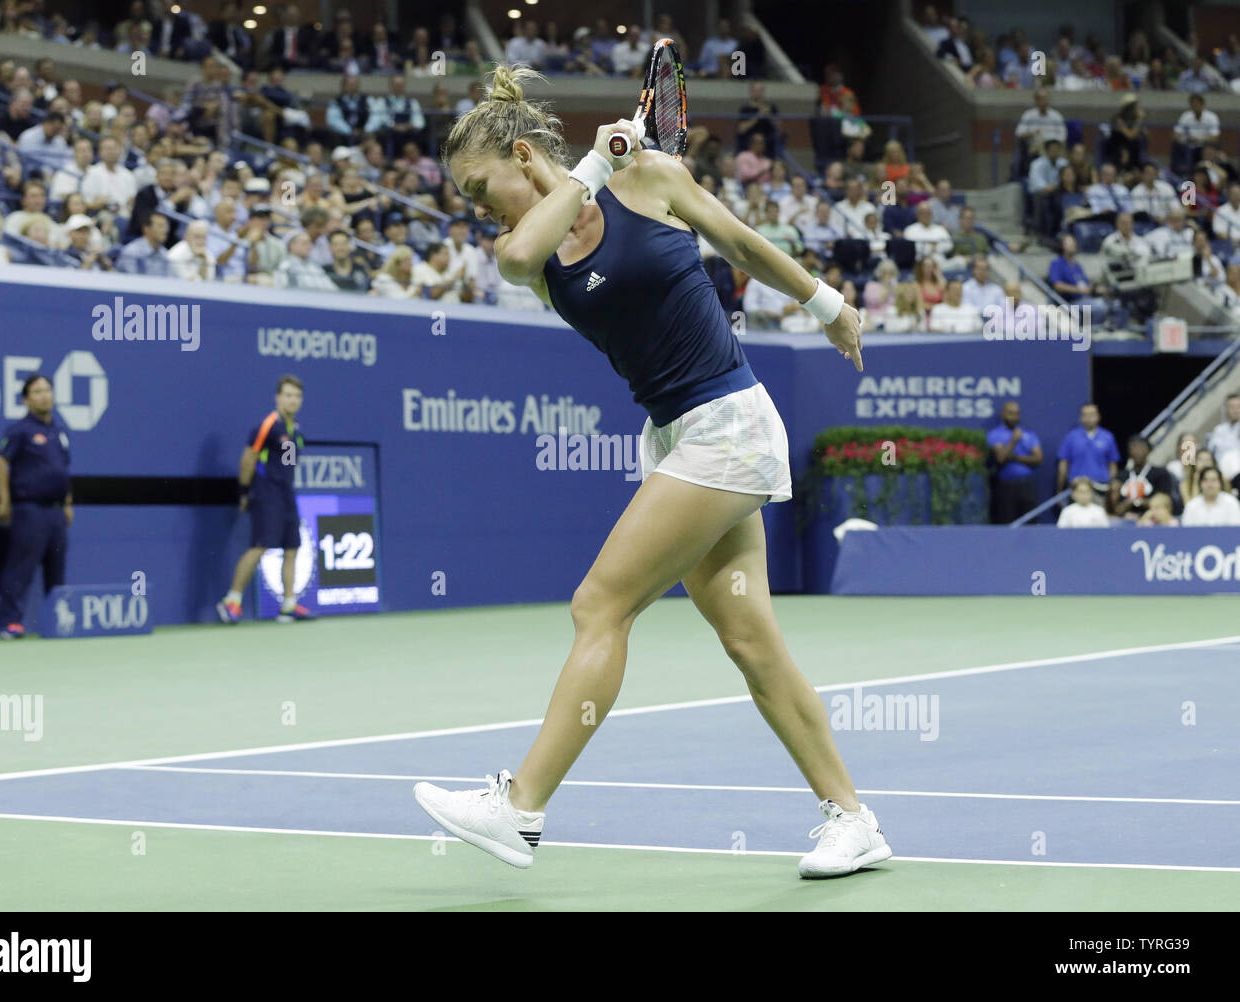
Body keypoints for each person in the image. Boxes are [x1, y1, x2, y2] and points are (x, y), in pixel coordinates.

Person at [415, 64, 884, 879]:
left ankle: (522, 807)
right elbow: (521, 255)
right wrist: (592, 164)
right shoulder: (526, 244)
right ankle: (853, 820)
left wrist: (827, 305)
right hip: (674, 437)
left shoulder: (651, 177)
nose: (476, 206)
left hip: (728, 426)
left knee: (600, 602)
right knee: (749, 639)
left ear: (522, 156)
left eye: (478, 185)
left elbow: (739, 242)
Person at [216, 376, 313, 624]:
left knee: (292, 548)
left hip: (286, 493)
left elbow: (288, 464)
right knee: (259, 546)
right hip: (266, 492)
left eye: (297, 396)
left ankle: (288, 605)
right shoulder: (267, 426)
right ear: (278, 397)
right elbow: (248, 459)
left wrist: (286, 485)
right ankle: (231, 601)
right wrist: (245, 491)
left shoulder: (296, 430)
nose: (293, 400)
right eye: (288, 395)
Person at [0, 374, 73, 639]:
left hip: (56, 512)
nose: (45, 395)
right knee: (21, 568)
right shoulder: (19, 431)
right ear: (26, 400)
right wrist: (4, 500)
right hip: (30, 510)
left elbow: (62, 470)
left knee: (56, 571)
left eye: (47, 390)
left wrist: (68, 504)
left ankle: (56, 623)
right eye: (37, 391)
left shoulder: (59, 431)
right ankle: (10, 624)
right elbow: (1, 463)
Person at [986, 401, 1042, 523]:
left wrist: (1015, 458)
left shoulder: (1028, 434)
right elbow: (1001, 458)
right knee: (1006, 522)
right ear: (1003, 414)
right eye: (1011, 414)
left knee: (1030, 522)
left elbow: (1038, 458)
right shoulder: (995, 434)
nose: (1014, 417)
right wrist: (1013, 441)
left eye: (1017, 414)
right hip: (1005, 485)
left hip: (1027, 485)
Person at [1056, 402, 1120, 505]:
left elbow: (1112, 463)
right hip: (1077, 488)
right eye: (1085, 415)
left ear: (1098, 416)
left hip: (1101, 488)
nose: (1089, 418)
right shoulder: (1071, 437)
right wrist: (1059, 490)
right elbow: (1063, 464)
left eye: (1092, 414)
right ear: (1081, 418)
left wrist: (1111, 484)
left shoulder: (1108, 437)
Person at [1112, 435, 1177, 521]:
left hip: (1153, 520)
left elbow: (1164, 503)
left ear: (1149, 450)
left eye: (1141, 448)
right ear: (1128, 451)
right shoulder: (1121, 476)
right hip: (1125, 521)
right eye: (1134, 448)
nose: (1138, 451)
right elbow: (1115, 510)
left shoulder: (1161, 474)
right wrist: (1129, 503)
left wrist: (1139, 502)